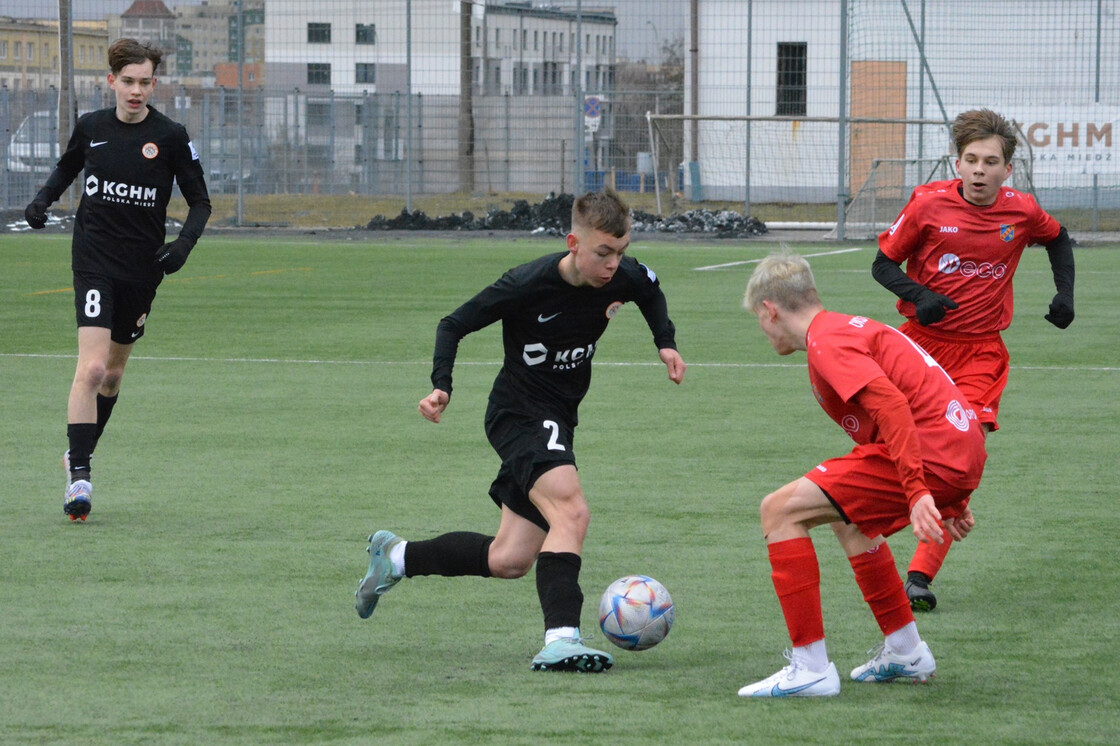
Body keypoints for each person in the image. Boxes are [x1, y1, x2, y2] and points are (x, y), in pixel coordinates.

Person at [354, 189, 686, 672]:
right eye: (603, 253)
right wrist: (441, 386)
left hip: (558, 418)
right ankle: (562, 639)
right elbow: (453, 324)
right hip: (520, 413)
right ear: (574, 243)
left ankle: (397, 557)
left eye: (621, 252)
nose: (614, 264)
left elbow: (651, 291)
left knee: (509, 558)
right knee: (571, 512)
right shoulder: (527, 283)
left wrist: (665, 344)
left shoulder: (623, 276)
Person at [736, 251, 986, 698]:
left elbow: (893, 406)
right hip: (958, 450)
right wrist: (952, 498)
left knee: (778, 512)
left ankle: (809, 667)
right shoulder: (845, 327)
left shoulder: (827, 341)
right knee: (850, 519)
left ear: (768, 310)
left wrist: (919, 493)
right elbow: (924, 396)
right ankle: (906, 651)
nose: (760, 328)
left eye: (758, 318)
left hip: (934, 453)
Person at [872, 108, 1075, 611]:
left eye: (991, 161)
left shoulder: (1021, 211)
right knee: (900, 447)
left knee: (965, 451)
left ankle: (918, 575)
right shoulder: (926, 205)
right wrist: (920, 296)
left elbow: (1058, 238)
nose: (981, 170)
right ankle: (915, 515)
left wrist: (1064, 295)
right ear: (956, 163)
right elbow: (882, 263)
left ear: (1008, 169)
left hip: (981, 353)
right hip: (918, 346)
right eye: (971, 160)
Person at [24, 38, 211, 521]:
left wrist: (183, 245)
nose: (135, 90)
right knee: (89, 369)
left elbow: (200, 202)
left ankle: (80, 451)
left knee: (112, 374)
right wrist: (43, 199)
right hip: (93, 260)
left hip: (141, 269)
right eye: (127, 81)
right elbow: (68, 166)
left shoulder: (170, 136)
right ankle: (80, 476)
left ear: (154, 83)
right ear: (111, 81)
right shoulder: (92, 128)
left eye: (144, 82)